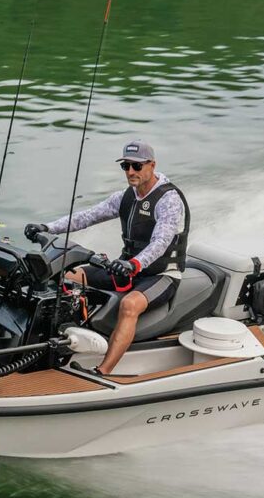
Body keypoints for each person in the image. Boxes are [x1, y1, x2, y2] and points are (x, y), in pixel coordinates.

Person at [24, 139, 189, 376]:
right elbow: (87, 217)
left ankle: (103, 370)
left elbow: (160, 243)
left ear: (151, 165)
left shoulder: (168, 200)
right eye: (125, 166)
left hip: (161, 274)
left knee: (129, 305)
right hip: (126, 268)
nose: (130, 172)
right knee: (67, 275)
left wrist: (134, 264)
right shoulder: (125, 197)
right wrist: (47, 228)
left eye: (137, 166)